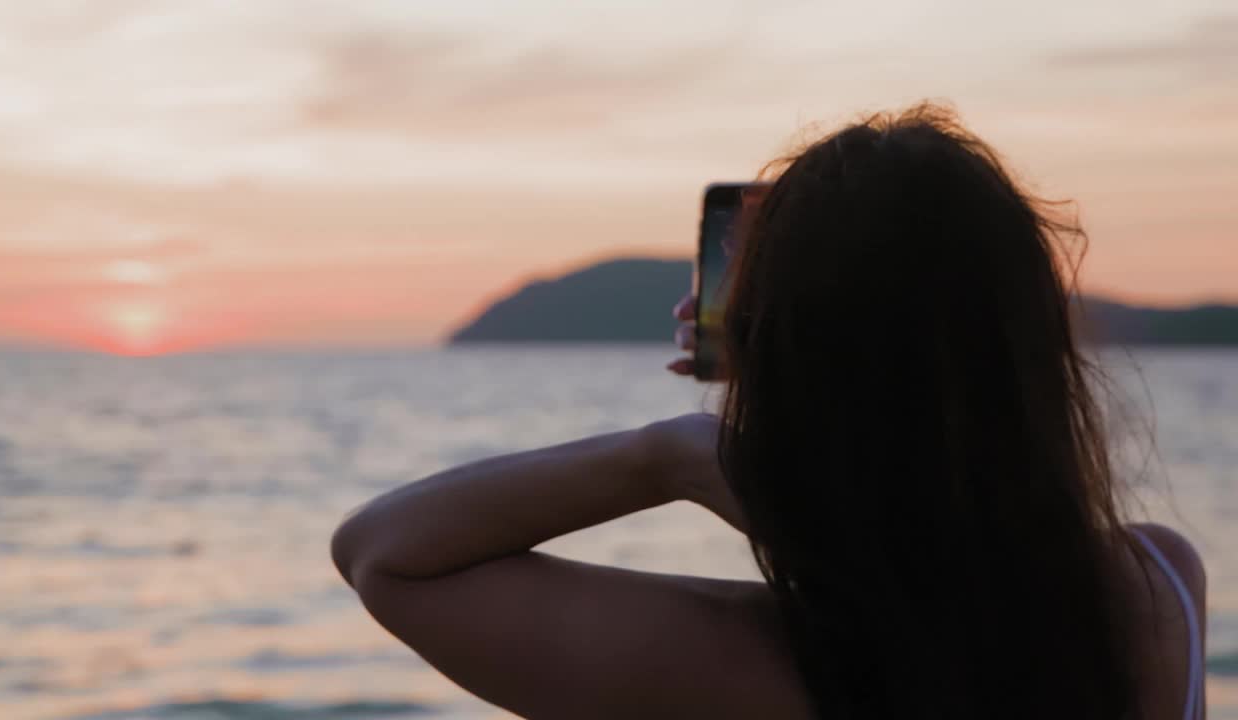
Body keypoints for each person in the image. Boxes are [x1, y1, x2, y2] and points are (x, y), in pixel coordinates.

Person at [330, 104, 1206, 719]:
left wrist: (672, 454)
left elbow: (384, 553)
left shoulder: (735, 664)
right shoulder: (1162, 591)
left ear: (773, 348)